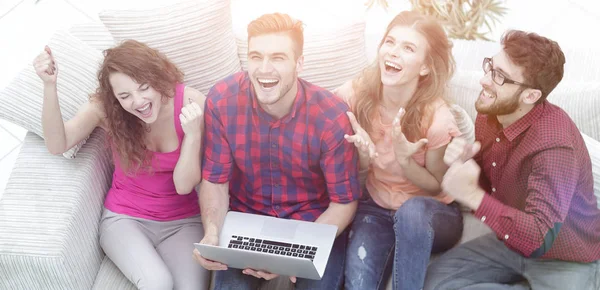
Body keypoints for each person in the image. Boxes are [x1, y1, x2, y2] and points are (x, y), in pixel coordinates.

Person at [192, 12, 361, 290]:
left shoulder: (331, 116)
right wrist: (212, 233)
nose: (264, 69)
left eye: (278, 58)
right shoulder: (222, 100)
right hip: (246, 222)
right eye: (256, 57)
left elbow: (343, 202)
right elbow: (215, 181)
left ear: (299, 64)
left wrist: (288, 254)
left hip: (312, 224)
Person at [424, 30, 600, 290]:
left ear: (530, 96)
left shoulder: (554, 146)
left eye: (499, 77)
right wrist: (466, 166)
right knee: (433, 281)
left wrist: (472, 195)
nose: (484, 80)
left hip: (564, 258)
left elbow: (540, 237)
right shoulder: (490, 114)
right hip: (508, 242)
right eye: (490, 67)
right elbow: (491, 188)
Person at [33, 40, 210, 290]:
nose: (138, 102)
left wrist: (193, 136)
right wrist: (49, 86)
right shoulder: (106, 109)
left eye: (144, 88)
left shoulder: (191, 103)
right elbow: (57, 144)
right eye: (125, 96)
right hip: (125, 219)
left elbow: (184, 186)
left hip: (183, 221)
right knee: (158, 283)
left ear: (159, 79)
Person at [334, 10, 464, 290]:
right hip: (377, 205)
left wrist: (407, 162)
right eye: (390, 42)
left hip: (433, 212)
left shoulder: (438, 119)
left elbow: (437, 186)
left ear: (425, 67)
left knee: (412, 212)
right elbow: (317, 125)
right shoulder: (354, 95)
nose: (393, 53)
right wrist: (361, 158)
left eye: (408, 48)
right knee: (358, 283)